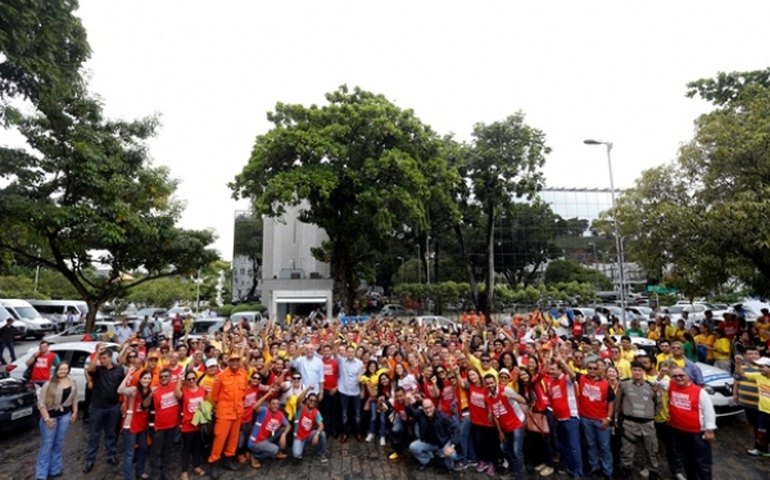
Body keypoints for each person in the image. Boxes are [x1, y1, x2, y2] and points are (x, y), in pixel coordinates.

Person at [662, 366, 717, 480]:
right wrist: (662, 373)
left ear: (688, 377)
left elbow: (709, 411)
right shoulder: (671, 386)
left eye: (681, 375)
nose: (678, 378)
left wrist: (709, 430)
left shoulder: (699, 392)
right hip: (678, 430)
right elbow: (656, 383)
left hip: (697, 433)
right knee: (686, 460)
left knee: (701, 462)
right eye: (675, 376)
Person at [614, 361, 660, 480]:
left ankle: (653, 472)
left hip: (647, 424)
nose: (637, 372)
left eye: (640, 370)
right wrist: (616, 417)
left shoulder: (651, 386)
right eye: (635, 370)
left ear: (644, 372)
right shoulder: (624, 385)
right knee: (627, 450)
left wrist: (652, 415)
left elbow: (658, 403)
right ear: (631, 371)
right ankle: (626, 471)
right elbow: (618, 403)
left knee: (652, 450)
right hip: (629, 424)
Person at [207, 353, 248, 479]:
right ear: (228, 362)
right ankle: (214, 463)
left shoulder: (243, 374)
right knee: (220, 438)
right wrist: (223, 407)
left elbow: (244, 392)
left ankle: (228, 459)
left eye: (237, 360)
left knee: (233, 439)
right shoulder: (221, 376)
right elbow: (214, 397)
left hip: (237, 412)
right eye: (232, 360)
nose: (235, 362)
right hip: (224, 413)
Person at [84, 347, 124, 473]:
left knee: (110, 433)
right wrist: (97, 353)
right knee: (94, 434)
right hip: (97, 407)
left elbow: (122, 386)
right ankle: (90, 459)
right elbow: (90, 369)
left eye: (104, 358)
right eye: (100, 358)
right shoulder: (98, 370)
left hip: (113, 407)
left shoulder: (119, 369)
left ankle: (111, 455)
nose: (102, 361)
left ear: (110, 358)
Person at [35, 362, 78, 480]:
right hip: (50, 416)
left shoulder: (72, 382)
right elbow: (41, 403)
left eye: (65, 369)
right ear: (56, 370)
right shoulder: (49, 384)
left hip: (65, 416)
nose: (63, 371)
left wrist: (74, 412)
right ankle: (41, 474)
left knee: (58, 443)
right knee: (47, 445)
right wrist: (47, 418)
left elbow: (75, 399)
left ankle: (55, 469)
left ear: (68, 370)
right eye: (61, 369)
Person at [547, 350, 583, 480]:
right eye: (550, 370)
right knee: (563, 446)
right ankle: (569, 467)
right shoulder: (551, 383)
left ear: (560, 370)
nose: (551, 372)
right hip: (559, 419)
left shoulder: (566, 378)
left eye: (554, 370)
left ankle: (578, 473)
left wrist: (562, 362)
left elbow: (573, 375)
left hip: (570, 418)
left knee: (574, 447)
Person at [484, 373, 527, 480]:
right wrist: (500, 432)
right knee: (503, 447)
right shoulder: (488, 397)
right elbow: (495, 416)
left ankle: (520, 476)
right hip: (505, 427)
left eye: (492, 383)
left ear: (496, 382)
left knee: (517, 450)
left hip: (517, 423)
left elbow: (523, 400)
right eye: (488, 384)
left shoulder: (505, 389)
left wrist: (511, 396)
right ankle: (514, 468)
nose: (490, 385)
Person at [579, 359, 615, 480]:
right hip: (586, 418)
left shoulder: (605, 383)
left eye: (595, 368)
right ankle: (595, 467)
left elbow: (611, 401)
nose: (592, 371)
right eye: (590, 368)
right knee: (591, 445)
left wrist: (608, 418)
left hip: (601, 420)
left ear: (599, 370)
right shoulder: (581, 379)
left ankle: (607, 471)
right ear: (586, 369)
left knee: (605, 447)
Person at [406, 397, 461, 472]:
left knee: (452, 455)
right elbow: (411, 412)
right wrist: (407, 404)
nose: (428, 410)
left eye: (430, 407)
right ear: (423, 408)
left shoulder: (442, 417)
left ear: (433, 406)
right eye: (425, 408)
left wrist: (452, 446)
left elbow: (455, 428)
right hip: (429, 442)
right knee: (413, 447)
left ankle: (453, 463)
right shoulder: (420, 414)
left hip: (443, 443)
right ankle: (427, 461)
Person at [117, 368, 151, 480]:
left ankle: (139, 472)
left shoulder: (150, 390)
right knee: (130, 452)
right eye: (144, 378)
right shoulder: (134, 389)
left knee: (143, 449)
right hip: (131, 423)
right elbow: (120, 390)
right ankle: (128, 477)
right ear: (140, 379)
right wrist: (128, 375)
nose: (147, 380)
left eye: (149, 378)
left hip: (142, 424)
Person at [735, 354, 770, 456]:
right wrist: (738, 363)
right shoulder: (759, 376)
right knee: (761, 432)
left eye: (762, 367)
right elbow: (740, 373)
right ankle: (761, 450)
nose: (760, 369)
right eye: (759, 367)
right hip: (762, 410)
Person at [150, 367, 180, 480]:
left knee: (168, 450)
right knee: (156, 451)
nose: (163, 378)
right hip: (159, 427)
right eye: (161, 377)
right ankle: (156, 473)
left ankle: (165, 471)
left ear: (170, 377)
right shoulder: (155, 390)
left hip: (172, 425)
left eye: (166, 376)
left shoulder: (174, 387)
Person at [248, 388, 290, 468]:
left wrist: (284, 435)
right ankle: (256, 456)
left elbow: (288, 426)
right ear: (269, 405)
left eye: (277, 404)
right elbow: (255, 407)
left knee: (283, 430)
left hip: (266, 438)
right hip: (255, 442)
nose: (275, 406)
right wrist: (268, 394)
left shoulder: (279, 414)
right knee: (275, 450)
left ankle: (273, 450)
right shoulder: (264, 411)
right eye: (273, 404)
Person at [177, 369, 207, 479]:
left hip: (199, 424)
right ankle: (184, 471)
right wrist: (179, 381)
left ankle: (196, 465)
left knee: (197, 447)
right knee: (186, 448)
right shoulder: (184, 391)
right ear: (186, 381)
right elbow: (177, 394)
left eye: (193, 378)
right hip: (187, 425)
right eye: (189, 379)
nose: (191, 381)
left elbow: (205, 405)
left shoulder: (202, 390)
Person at [337, 345, 364, 443]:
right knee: (344, 413)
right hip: (344, 391)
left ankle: (358, 432)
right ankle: (345, 433)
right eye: (348, 352)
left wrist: (362, 390)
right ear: (346, 353)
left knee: (357, 414)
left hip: (356, 392)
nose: (350, 354)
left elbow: (361, 379)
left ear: (355, 352)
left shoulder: (360, 363)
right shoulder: (342, 361)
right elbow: (335, 351)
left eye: (352, 352)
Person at [292, 392, 329, 462]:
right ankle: (302, 448)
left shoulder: (316, 412)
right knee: (296, 455)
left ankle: (321, 453)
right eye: (311, 400)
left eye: (314, 401)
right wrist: (307, 389)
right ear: (307, 400)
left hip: (308, 435)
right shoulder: (301, 408)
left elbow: (321, 425)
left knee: (322, 433)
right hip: (298, 437)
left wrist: (317, 434)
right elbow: (298, 400)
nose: (312, 402)